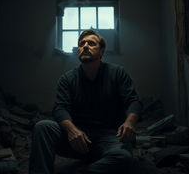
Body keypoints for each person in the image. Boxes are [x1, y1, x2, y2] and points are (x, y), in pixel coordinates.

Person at [29, 29, 142, 174]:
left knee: (124, 157)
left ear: (101, 51)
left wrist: (129, 122)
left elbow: (134, 100)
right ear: (78, 51)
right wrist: (72, 130)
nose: (85, 46)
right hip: (78, 140)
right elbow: (60, 108)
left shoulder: (117, 73)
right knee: (43, 127)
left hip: (109, 138)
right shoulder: (67, 79)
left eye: (91, 43)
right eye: (82, 44)